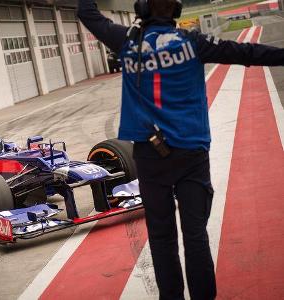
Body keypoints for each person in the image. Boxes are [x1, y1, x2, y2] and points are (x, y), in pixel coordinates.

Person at [77, 0, 284, 299]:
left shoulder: (127, 41)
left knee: (162, 238)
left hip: (149, 156)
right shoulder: (193, 42)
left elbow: (87, 13)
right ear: (175, 11)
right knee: (195, 235)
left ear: (142, 10)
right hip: (191, 152)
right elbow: (247, 53)